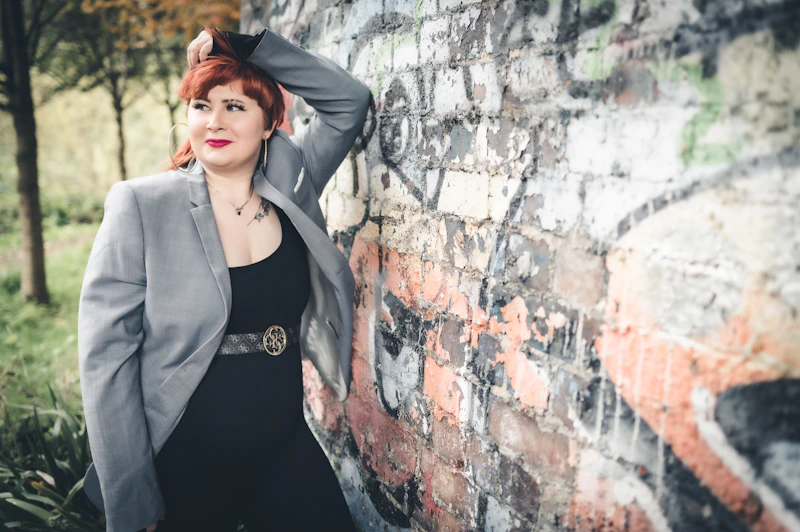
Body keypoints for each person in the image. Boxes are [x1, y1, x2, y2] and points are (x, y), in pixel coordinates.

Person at [77, 26, 370, 532]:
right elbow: (106, 361)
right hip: (182, 465)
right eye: (200, 105)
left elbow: (348, 101)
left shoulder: (292, 178)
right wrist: (133, 498)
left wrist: (244, 46)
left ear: (269, 124)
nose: (214, 122)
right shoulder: (142, 205)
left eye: (235, 107)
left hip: (284, 451)